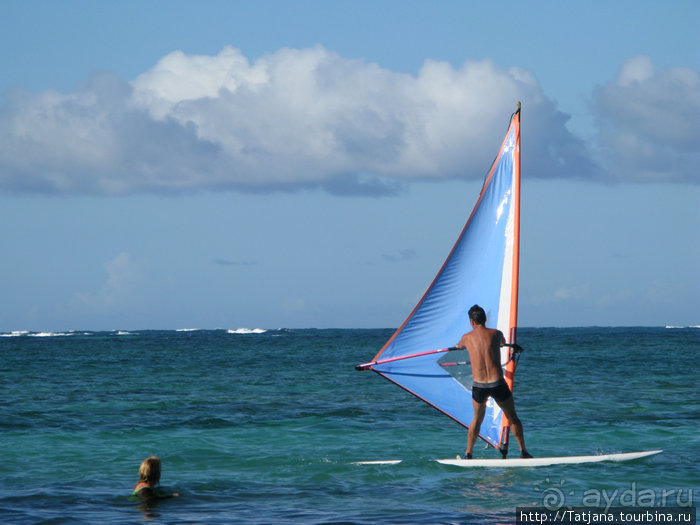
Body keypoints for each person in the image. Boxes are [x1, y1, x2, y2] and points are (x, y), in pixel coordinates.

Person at [455, 304, 532, 459]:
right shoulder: (496, 334)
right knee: (512, 417)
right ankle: (523, 451)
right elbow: (503, 343)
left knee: (477, 418)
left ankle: (468, 453)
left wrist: (459, 347)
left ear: (472, 321)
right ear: (484, 319)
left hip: (479, 386)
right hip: (497, 384)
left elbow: (459, 346)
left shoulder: (466, 338)